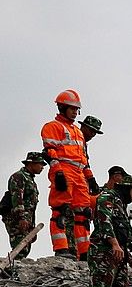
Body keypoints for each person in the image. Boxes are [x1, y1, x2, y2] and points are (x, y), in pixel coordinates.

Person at [40, 89, 95, 258]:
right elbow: (50, 151)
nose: (75, 112)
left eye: (76, 109)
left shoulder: (78, 132)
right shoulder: (53, 127)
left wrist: (90, 178)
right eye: (72, 108)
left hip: (78, 173)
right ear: (62, 107)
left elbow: (83, 158)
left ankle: (84, 251)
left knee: (83, 214)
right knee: (60, 210)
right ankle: (61, 248)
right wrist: (58, 173)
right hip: (64, 171)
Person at [3, 152, 47, 259]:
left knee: (25, 248)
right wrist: (21, 218)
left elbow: (31, 206)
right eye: (40, 164)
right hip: (16, 218)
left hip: (26, 219)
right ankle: (12, 270)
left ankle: (14, 269)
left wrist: (32, 226)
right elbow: (17, 198)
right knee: (20, 248)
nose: (42, 167)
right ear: (31, 163)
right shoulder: (19, 177)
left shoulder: (30, 180)